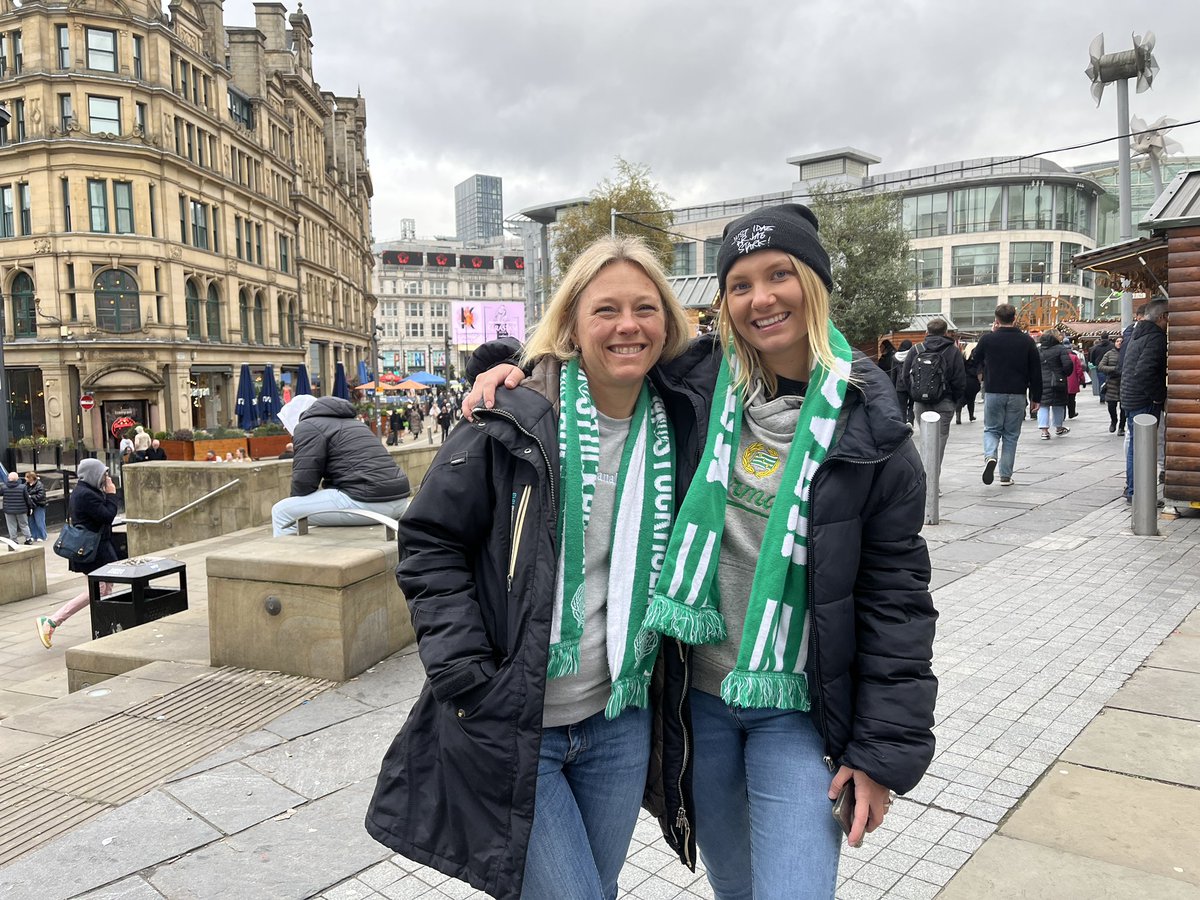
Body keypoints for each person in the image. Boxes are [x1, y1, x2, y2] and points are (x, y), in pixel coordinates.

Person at [462, 205, 938, 899]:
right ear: (724, 303)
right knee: (737, 889)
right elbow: (605, 349)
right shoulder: (695, 387)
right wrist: (510, 373)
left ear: (815, 283)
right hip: (698, 706)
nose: (761, 298)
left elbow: (897, 602)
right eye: (740, 284)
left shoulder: (872, 430)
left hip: (797, 709)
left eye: (780, 275)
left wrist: (882, 755)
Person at [366, 235, 691, 900]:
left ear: (668, 321)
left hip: (619, 720)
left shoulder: (689, 419)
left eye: (645, 308)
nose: (628, 325)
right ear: (571, 322)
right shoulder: (509, 419)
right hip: (519, 724)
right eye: (605, 310)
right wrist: (464, 672)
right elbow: (429, 538)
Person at [270, 395, 411, 536]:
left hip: (369, 502)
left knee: (282, 511)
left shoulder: (307, 426)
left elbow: (303, 483)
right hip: (399, 502)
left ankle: (295, 556)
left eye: (285, 423)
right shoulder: (353, 423)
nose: (285, 428)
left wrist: (297, 505)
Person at [35, 458, 119, 648]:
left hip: (98, 550)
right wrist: (112, 494)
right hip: (93, 551)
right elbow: (107, 516)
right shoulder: (85, 494)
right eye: (103, 474)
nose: (106, 477)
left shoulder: (87, 491)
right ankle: (52, 621)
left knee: (105, 588)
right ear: (93, 474)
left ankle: (107, 626)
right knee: (100, 589)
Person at [972, 304, 1042, 486]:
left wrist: (992, 333)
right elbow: (1036, 371)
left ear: (996, 319)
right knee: (1011, 435)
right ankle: (1005, 475)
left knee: (991, 429)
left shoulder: (988, 340)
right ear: (1015, 318)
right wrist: (1037, 397)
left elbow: (974, 357)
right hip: (1018, 393)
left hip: (994, 391)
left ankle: (990, 456)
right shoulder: (1027, 341)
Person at [899, 317, 966, 468]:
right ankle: (933, 485)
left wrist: (915, 393)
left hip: (921, 403)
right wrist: (954, 400)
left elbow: (905, 376)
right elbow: (960, 379)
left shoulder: (915, 350)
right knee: (939, 443)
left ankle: (924, 481)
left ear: (926, 332)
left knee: (926, 440)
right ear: (946, 332)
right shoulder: (953, 351)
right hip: (945, 402)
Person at [1120, 298, 1168, 502]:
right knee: (1144, 448)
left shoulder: (1138, 334)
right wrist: (1158, 396)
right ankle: (1139, 494)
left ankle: (1134, 490)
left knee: (1135, 447)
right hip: (1143, 399)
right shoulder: (1155, 337)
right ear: (1162, 317)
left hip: (1131, 397)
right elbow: (1144, 371)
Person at [1036, 331, 1074, 441]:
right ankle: (1059, 427)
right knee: (1058, 404)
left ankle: (1044, 431)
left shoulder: (1038, 349)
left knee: (1043, 405)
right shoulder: (1060, 348)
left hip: (1041, 381)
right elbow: (1068, 365)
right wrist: (1062, 373)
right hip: (1058, 381)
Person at [1099, 336, 1125, 435]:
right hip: (1112, 383)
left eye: (1121, 341)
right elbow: (1101, 366)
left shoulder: (1127, 353)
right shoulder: (1109, 354)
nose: (1119, 343)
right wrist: (1114, 369)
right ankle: (1113, 421)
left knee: (1124, 407)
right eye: (1117, 341)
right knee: (1111, 405)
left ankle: (1122, 427)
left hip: (1123, 382)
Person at [3, 471, 34, 545]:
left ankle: (14, 540)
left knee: (11, 526)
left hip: (9, 510)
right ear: (17, 479)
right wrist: (30, 507)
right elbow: (27, 499)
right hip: (21, 510)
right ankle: (28, 538)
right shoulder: (22, 487)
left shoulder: (4, 487)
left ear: (8, 478)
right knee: (24, 524)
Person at [892, 338, 915, 424]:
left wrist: (893, 387)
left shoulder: (895, 357)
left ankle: (904, 425)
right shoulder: (912, 355)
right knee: (911, 406)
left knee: (902, 408)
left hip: (900, 387)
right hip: (911, 384)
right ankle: (911, 421)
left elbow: (893, 374)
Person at [1064, 340, 1086, 419]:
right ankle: (1071, 413)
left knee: (1062, 399)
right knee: (1072, 399)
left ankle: (1062, 415)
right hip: (1073, 381)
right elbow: (1079, 370)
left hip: (1062, 381)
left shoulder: (1059, 356)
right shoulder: (1074, 357)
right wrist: (1082, 380)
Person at [1089, 331, 1114, 398]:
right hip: (1111, 366)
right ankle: (1110, 396)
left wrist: (1095, 364)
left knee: (1101, 382)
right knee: (1112, 382)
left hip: (1099, 367)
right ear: (1108, 337)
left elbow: (1092, 358)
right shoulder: (1112, 346)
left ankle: (1102, 397)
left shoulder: (1096, 347)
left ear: (1101, 338)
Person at [25, 471, 48, 541]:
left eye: (27, 477)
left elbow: (41, 495)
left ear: (31, 478)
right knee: (31, 522)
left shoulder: (39, 485)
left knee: (39, 521)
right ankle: (34, 536)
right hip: (30, 505)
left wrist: (30, 496)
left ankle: (42, 536)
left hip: (39, 505)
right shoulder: (26, 485)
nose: (25, 479)